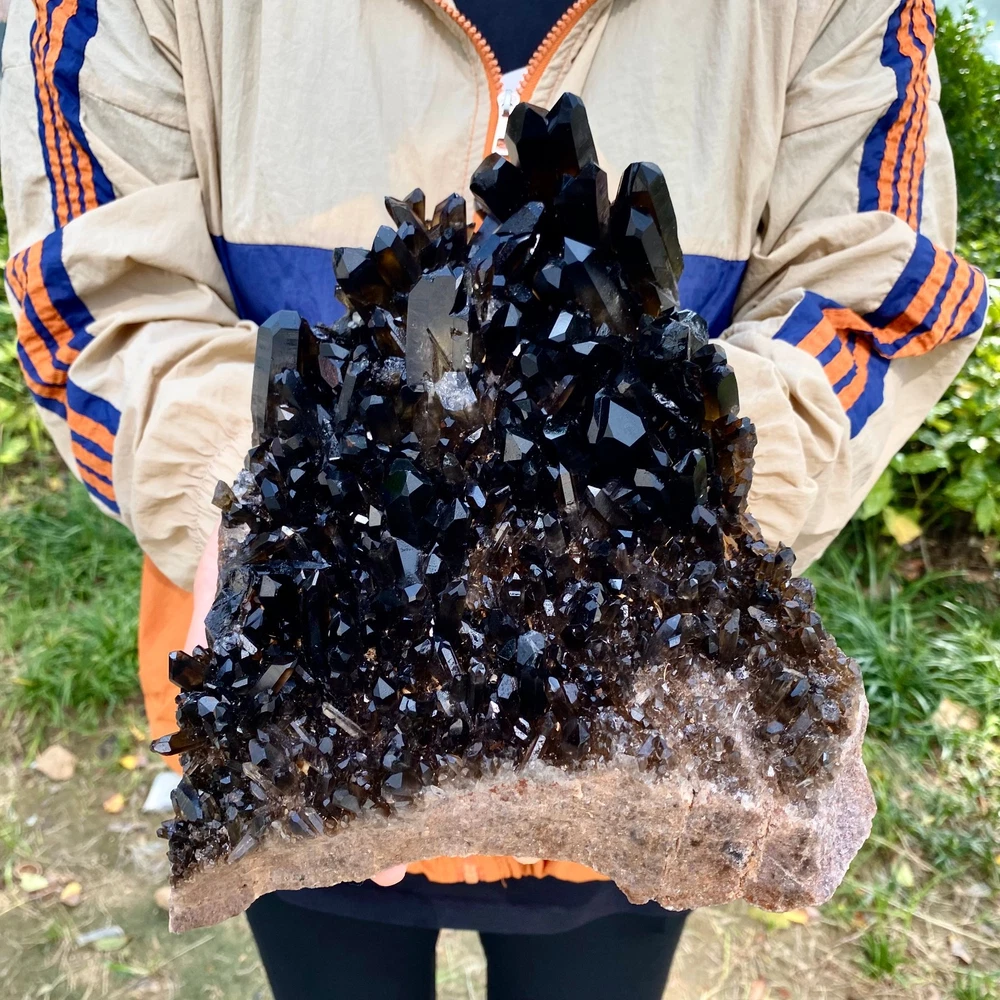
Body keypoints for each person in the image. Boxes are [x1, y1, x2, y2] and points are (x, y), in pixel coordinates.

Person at [0, 1, 987, 997]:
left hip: (646, 770)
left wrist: (666, 515)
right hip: (301, 754)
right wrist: (260, 495)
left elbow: (876, 289)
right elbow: (98, 292)